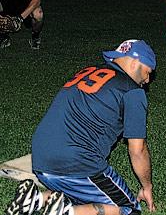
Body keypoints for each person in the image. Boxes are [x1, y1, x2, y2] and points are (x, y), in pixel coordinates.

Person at [6, 39, 157, 215]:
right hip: (76, 163)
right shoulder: (132, 91)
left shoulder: (90, 70)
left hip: (41, 159)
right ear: (134, 62)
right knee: (129, 209)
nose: (147, 80)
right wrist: (147, 186)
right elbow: (137, 150)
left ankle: (36, 200)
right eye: (148, 72)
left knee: (84, 192)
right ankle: (65, 212)